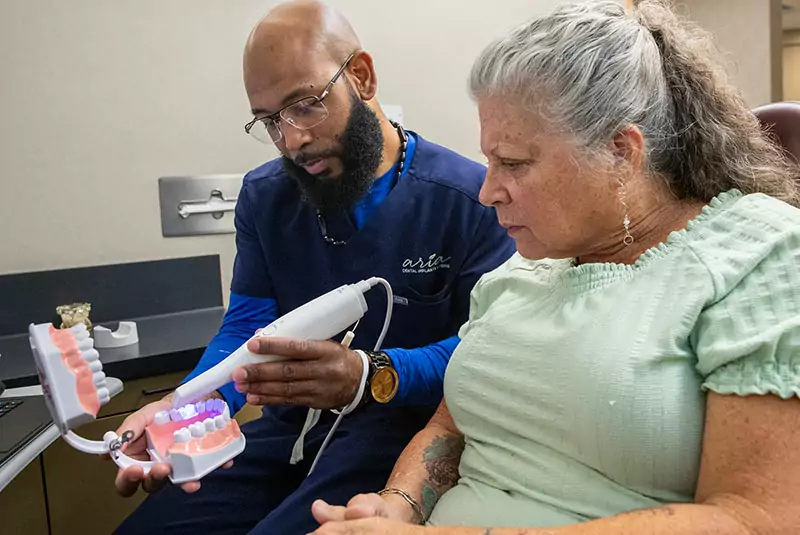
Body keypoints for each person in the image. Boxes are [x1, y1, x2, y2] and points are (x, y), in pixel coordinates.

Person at [309, 1, 800, 534]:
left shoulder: (759, 258)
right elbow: (455, 424)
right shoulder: (521, 272)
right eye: (490, 160)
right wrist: (398, 502)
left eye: (514, 163)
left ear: (621, 152)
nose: (487, 190)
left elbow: (753, 520)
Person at [113, 1, 515, 533]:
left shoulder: (470, 199)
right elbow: (245, 332)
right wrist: (183, 410)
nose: (292, 140)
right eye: (270, 121)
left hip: (397, 441)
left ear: (363, 77)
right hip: (289, 434)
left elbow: (487, 352)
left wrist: (369, 376)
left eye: (305, 105)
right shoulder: (265, 197)